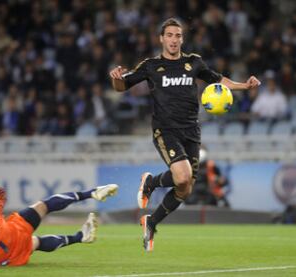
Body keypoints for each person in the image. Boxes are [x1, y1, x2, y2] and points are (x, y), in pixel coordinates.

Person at [109, 18, 260, 252]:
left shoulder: (194, 62)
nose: (173, 40)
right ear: (161, 38)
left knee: (185, 188)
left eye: (178, 35)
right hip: (165, 129)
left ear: (182, 39)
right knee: (182, 176)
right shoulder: (150, 65)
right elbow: (122, 86)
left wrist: (245, 86)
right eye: (169, 35)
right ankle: (151, 182)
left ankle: (151, 221)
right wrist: (116, 79)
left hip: (191, 130)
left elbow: (218, 80)